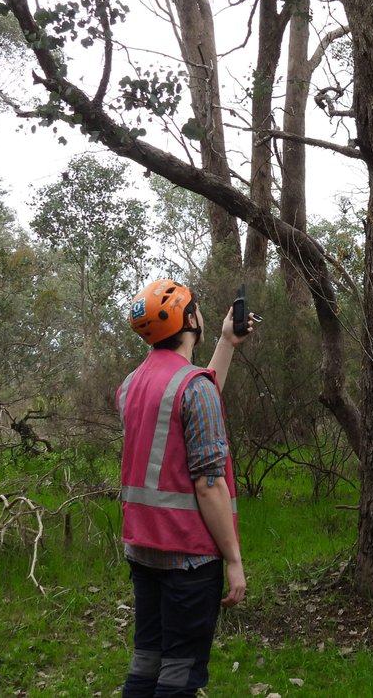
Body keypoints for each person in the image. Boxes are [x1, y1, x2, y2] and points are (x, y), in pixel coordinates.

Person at [117, 279, 253, 697]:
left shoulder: (131, 385)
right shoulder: (194, 388)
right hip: (190, 559)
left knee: (148, 661)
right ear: (190, 319)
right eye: (196, 307)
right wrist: (233, 559)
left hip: (144, 550)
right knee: (179, 677)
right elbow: (208, 484)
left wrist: (227, 343)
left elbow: (195, 401)